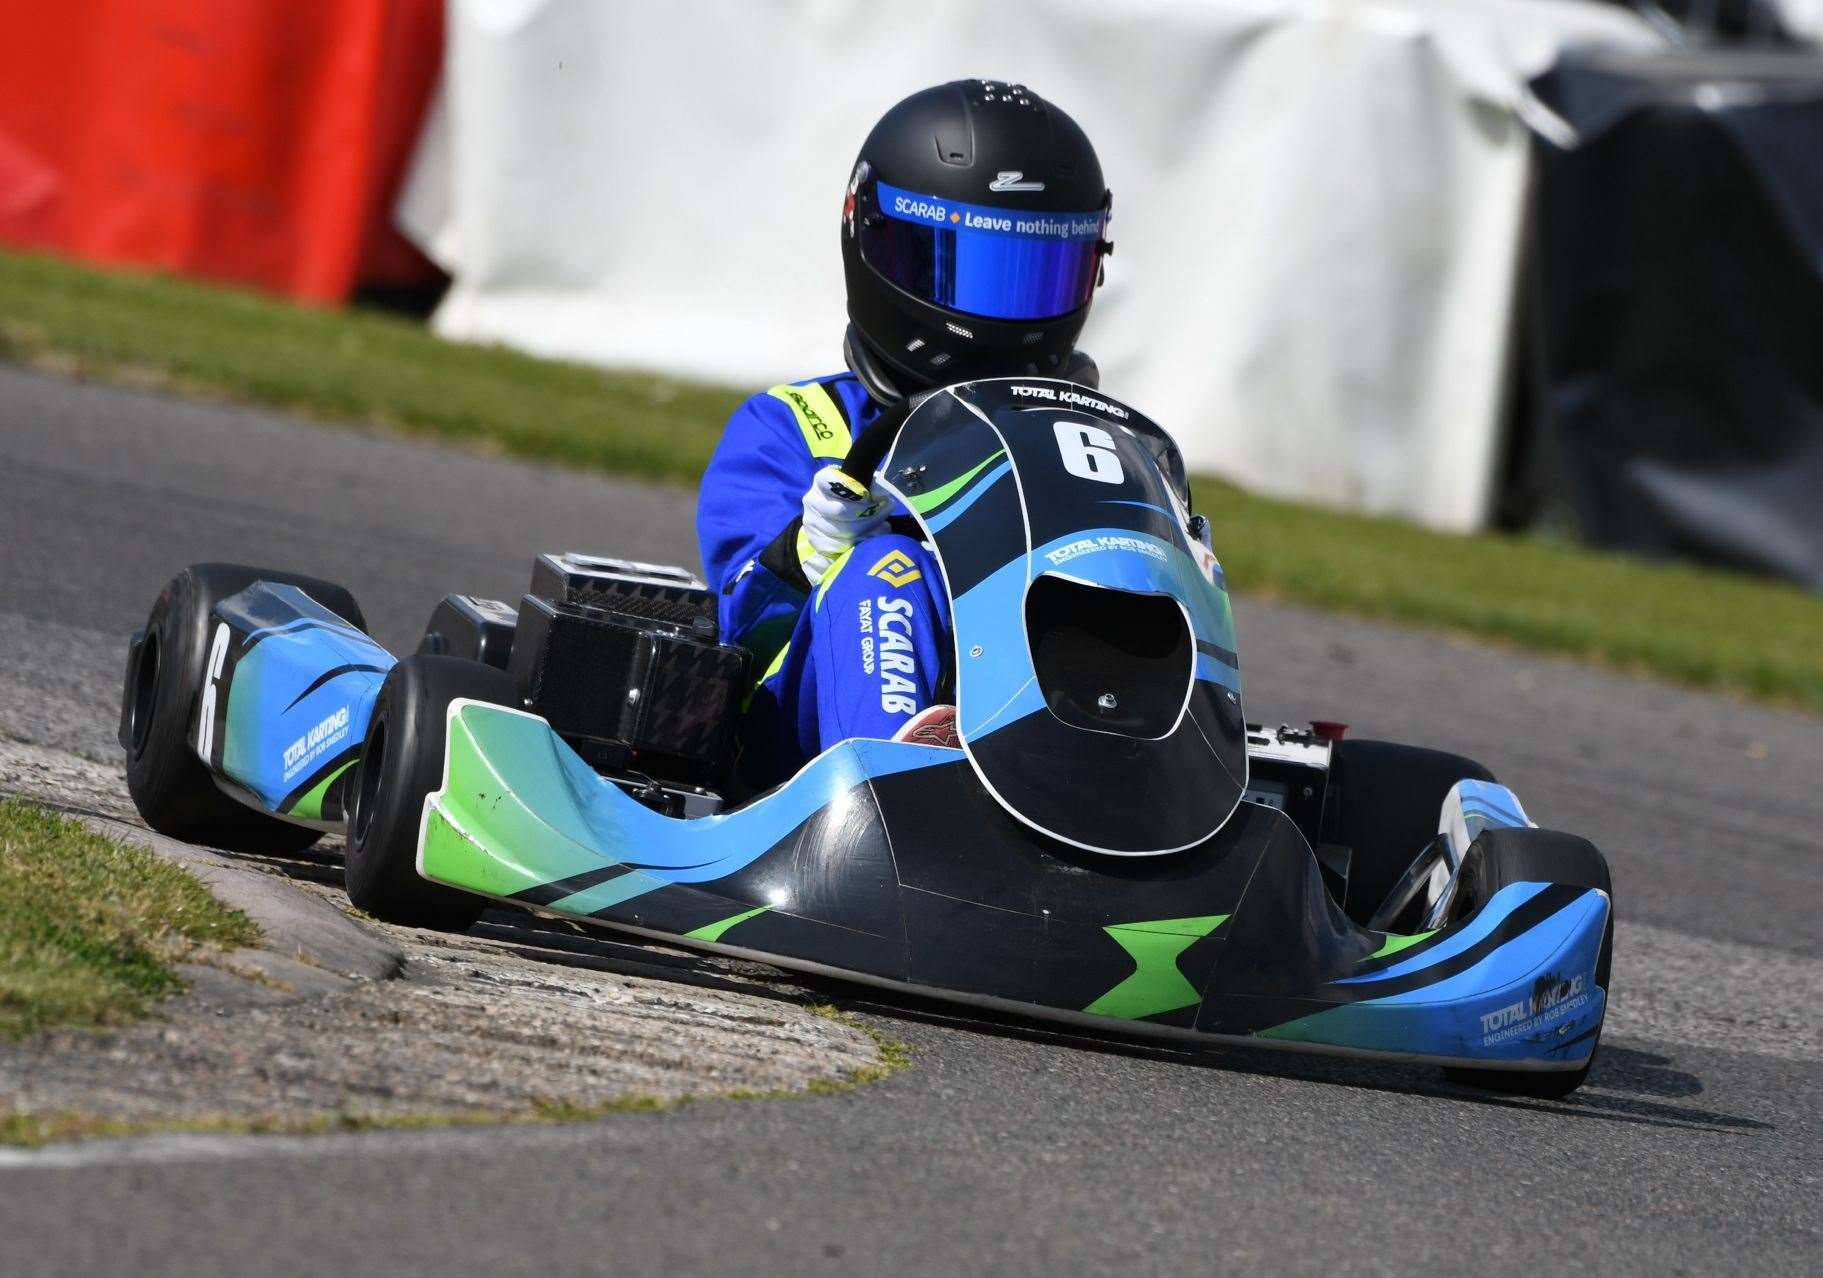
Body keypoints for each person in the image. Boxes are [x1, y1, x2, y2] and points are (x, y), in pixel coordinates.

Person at [696, 79, 1114, 787]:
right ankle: (903, 788)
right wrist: (804, 557)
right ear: (879, 242)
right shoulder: (797, 428)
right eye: (971, 274)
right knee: (884, 568)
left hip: (1045, 745)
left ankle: (1153, 815)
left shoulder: (1094, 452)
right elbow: (739, 636)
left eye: (1031, 278)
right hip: (795, 764)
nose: (1002, 318)